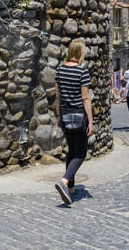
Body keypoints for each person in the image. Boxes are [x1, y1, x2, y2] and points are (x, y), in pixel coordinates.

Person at [53, 39, 93, 204]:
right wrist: (90, 121)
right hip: (79, 116)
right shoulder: (82, 71)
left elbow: (57, 96)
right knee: (81, 153)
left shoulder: (60, 69)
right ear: (80, 53)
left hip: (65, 115)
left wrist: (58, 116)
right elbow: (85, 98)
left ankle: (70, 188)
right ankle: (64, 180)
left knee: (71, 150)